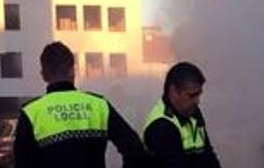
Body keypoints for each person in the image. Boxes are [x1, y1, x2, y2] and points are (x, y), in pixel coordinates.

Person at [14, 41, 149, 167]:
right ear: (73, 70)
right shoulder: (99, 105)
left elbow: (23, 163)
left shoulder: (31, 112)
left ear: (43, 75)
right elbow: (135, 150)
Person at [142, 62, 221, 168]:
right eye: (191, 95)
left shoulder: (193, 113)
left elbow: (209, 157)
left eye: (199, 94)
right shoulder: (160, 126)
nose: (197, 101)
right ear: (173, 91)